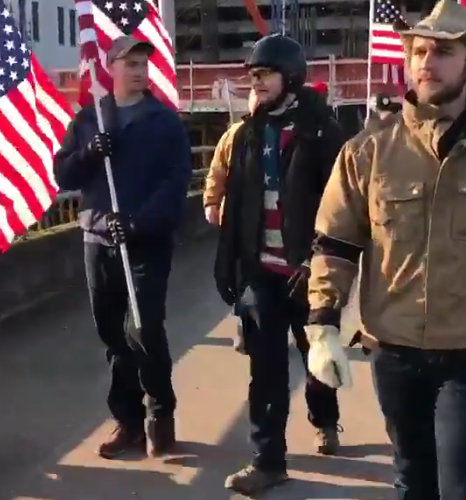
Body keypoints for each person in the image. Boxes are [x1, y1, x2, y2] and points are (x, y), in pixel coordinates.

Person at [302, 0, 466, 500]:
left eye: (443, 51)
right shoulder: (368, 150)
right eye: (419, 50)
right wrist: (322, 325)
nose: (427, 61)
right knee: (413, 482)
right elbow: (334, 243)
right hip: (393, 346)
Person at [214, 34, 349, 495]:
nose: (255, 84)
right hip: (261, 274)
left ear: (289, 78)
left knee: (316, 358)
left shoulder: (322, 132)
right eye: (252, 76)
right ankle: (267, 460)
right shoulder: (247, 133)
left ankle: (325, 419)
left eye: (263, 75)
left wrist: (323, 263)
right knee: (265, 371)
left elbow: (344, 204)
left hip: (308, 272)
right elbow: (235, 202)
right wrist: (231, 267)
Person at [53, 36, 193, 459]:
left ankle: (159, 413)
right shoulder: (90, 119)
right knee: (114, 335)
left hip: (145, 243)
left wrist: (137, 222)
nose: (137, 70)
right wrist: (91, 154)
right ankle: (127, 420)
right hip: (98, 240)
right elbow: (64, 174)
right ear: (111, 67)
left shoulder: (163, 122)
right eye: (129, 63)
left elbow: (175, 183)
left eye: (142, 64)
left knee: (144, 328)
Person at [204, 88, 260, 354]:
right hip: (237, 222)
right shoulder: (234, 135)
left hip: (271, 223)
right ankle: (243, 323)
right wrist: (211, 202)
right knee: (240, 278)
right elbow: (217, 171)